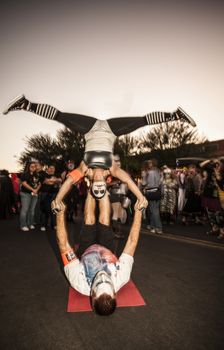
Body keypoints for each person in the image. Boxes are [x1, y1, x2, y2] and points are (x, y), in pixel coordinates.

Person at [3, 94, 196, 208]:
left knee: (60, 116)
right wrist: (141, 198)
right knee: (141, 121)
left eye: (95, 187)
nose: (98, 183)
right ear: (104, 183)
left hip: (89, 128)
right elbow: (129, 181)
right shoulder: (111, 169)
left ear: (91, 184)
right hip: (112, 129)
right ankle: (175, 115)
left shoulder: (84, 168)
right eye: (100, 187)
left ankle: (25, 104)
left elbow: (68, 182)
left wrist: (58, 200)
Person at [53, 183, 146, 316]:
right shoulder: (122, 276)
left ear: (92, 294)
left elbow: (63, 244)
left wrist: (59, 213)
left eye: (98, 282)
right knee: (104, 219)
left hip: (87, 250)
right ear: (114, 293)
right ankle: (102, 186)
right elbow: (132, 242)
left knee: (90, 219)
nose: (102, 276)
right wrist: (138, 212)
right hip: (106, 250)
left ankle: (92, 188)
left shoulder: (78, 281)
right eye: (106, 281)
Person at [142, 159, 163, 234]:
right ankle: (153, 226)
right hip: (157, 192)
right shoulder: (158, 171)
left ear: (152, 164)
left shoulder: (149, 172)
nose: (148, 164)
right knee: (154, 210)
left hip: (151, 192)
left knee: (153, 211)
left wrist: (144, 178)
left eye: (149, 163)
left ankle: (158, 227)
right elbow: (160, 182)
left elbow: (145, 183)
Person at [19, 162, 41, 231]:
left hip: (34, 194)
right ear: (28, 167)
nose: (33, 167)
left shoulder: (36, 175)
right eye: (31, 166)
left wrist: (36, 190)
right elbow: (24, 183)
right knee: (25, 210)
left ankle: (30, 223)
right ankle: (23, 225)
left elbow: (39, 183)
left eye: (34, 166)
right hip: (25, 194)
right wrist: (33, 190)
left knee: (32, 210)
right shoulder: (25, 174)